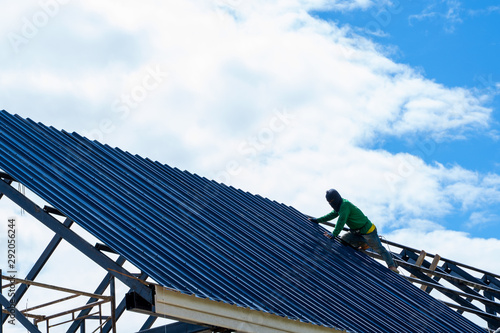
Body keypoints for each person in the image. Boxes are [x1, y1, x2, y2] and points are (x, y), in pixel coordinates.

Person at [309, 189, 399, 273]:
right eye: (330, 202)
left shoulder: (345, 205)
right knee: (344, 239)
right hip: (357, 233)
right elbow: (331, 215)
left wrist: (334, 234)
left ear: (336, 198)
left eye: (332, 201)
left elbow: (341, 221)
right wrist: (317, 220)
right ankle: (363, 243)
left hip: (368, 231)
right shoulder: (339, 206)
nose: (331, 203)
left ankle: (392, 266)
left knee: (379, 249)